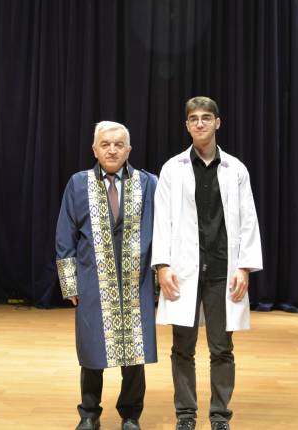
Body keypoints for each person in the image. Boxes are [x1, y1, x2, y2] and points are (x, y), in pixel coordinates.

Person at [152, 97, 263, 430]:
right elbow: (161, 220)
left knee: (222, 348)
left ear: (217, 122)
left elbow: (248, 219)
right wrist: (162, 266)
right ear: (186, 125)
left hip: (221, 269)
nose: (199, 123)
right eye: (193, 119)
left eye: (206, 117)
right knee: (182, 348)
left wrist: (244, 267)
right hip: (183, 271)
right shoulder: (172, 168)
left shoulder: (235, 169)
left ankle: (219, 416)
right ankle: (186, 416)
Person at [56, 121, 158, 430]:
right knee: (91, 351)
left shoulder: (147, 183)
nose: (112, 150)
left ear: (128, 149)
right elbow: (65, 235)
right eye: (105, 144)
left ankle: (131, 414)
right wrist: (70, 283)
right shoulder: (78, 183)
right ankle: (89, 414)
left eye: (118, 144)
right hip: (92, 279)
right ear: (95, 150)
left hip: (136, 280)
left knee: (134, 353)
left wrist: (159, 280)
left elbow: (162, 233)